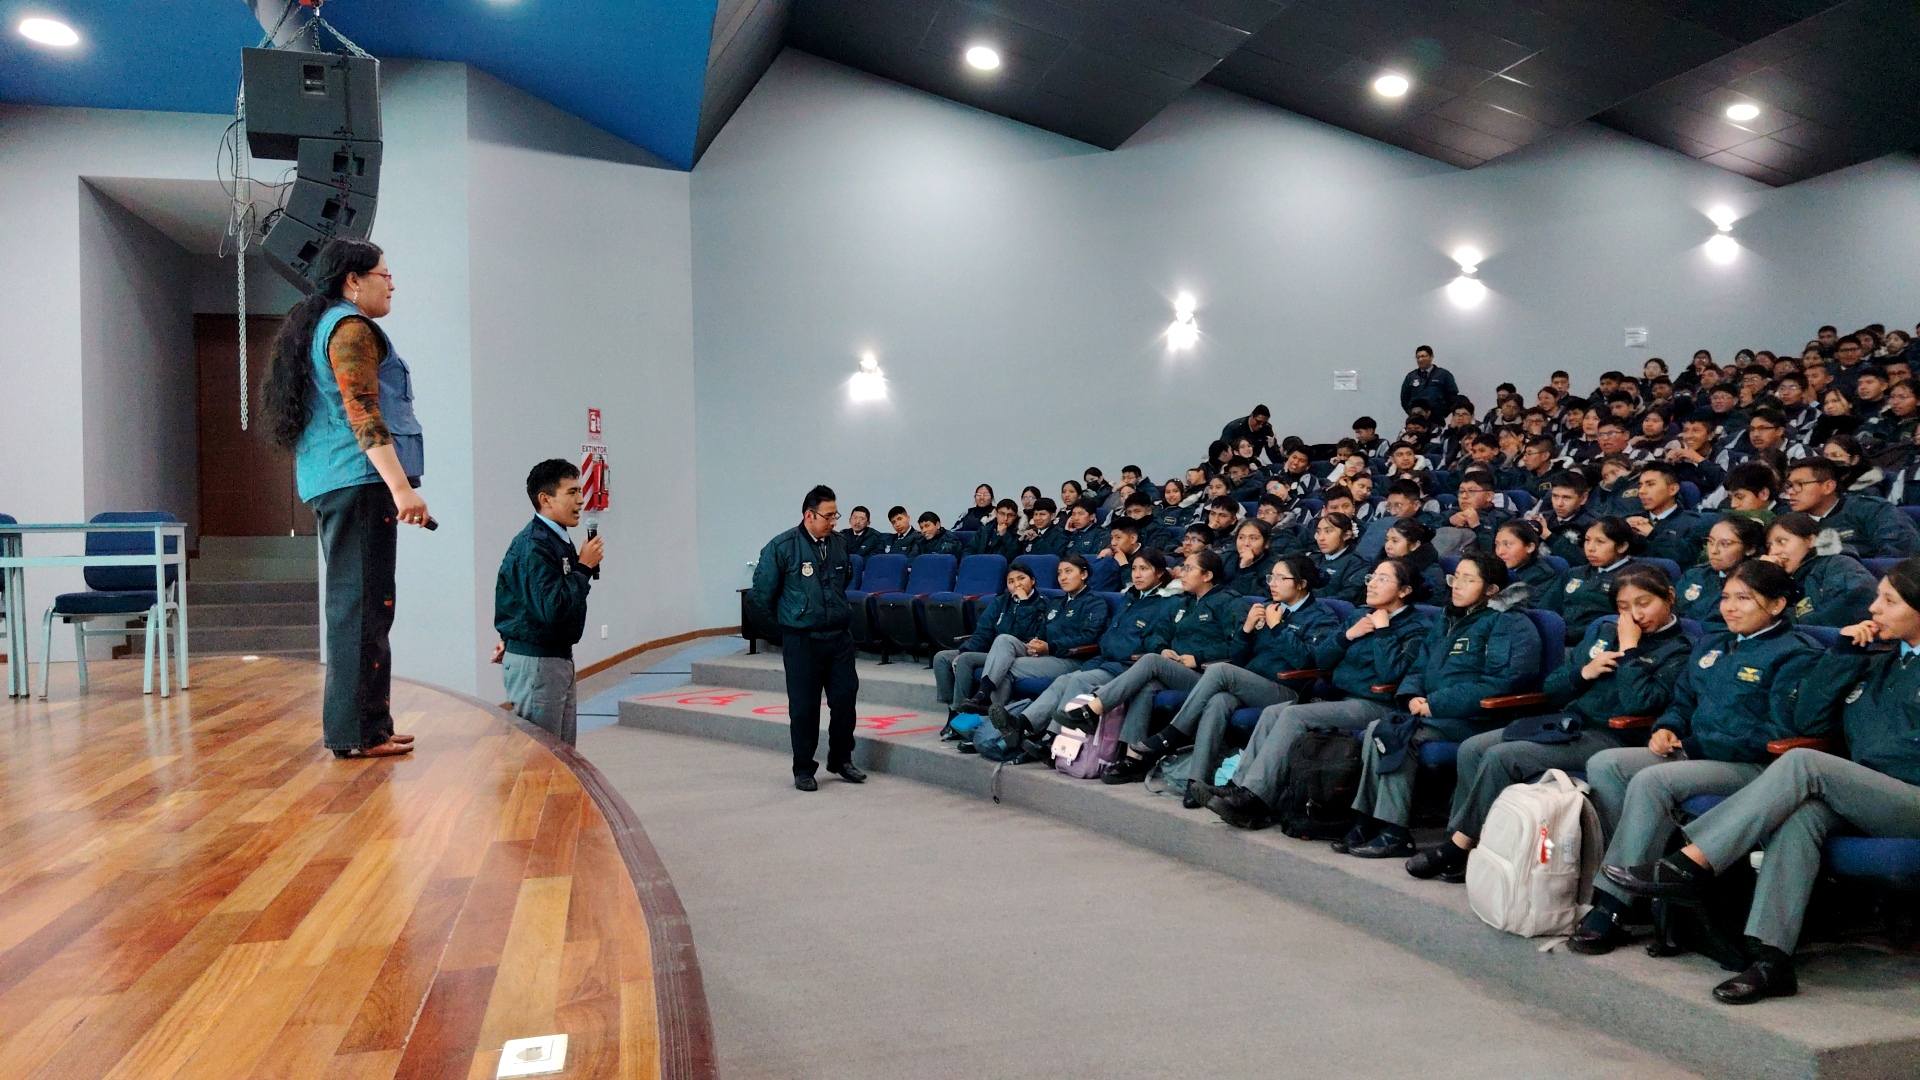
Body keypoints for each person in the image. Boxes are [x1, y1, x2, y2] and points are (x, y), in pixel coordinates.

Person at [1601, 565, 1920, 1004]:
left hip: (1910, 796)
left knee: (1804, 762)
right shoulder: (1878, 659)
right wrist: (1843, 653)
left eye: (1889, 600)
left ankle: (1692, 862)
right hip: (1864, 791)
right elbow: (1809, 719)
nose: (1873, 607)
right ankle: (1771, 960)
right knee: (1801, 818)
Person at [1569, 559, 1832, 954]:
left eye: (1744, 599)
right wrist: (1667, 727)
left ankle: (1614, 904)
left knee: (1653, 780)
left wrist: (1698, 744)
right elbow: (1683, 701)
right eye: (1726, 597)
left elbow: (1780, 732)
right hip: (1696, 753)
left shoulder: (1795, 653)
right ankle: (1640, 876)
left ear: (1777, 605)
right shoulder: (1713, 644)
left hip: (1756, 768)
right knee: (1606, 764)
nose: (1730, 607)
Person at [1406, 564, 1693, 883]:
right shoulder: (1603, 631)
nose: (1634, 616)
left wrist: (1629, 651)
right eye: (1623, 607)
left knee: (1503, 756)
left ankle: (1457, 847)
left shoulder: (1680, 650)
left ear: (1669, 597)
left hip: (1615, 736)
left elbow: (1641, 704)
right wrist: (1584, 673)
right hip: (1568, 723)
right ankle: (1469, 841)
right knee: (1474, 748)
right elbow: (1553, 688)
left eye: (1643, 603)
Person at [263, 237, 423, 760]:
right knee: (361, 607)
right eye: (384, 274)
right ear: (353, 281)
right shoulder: (349, 329)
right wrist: (401, 488)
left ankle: (370, 726)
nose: (392, 284)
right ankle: (356, 733)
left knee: (365, 605)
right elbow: (363, 412)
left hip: (341, 483)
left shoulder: (324, 326)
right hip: (358, 484)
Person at [1340, 552, 1542, 858]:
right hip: (1433, 713)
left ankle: (1394, 831)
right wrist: (1411, 694)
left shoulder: (1509, 623)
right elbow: (1419, 666)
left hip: (1477, 718)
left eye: (1468, 579)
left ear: (1491, 589)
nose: (1456, 585)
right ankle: (1366, 820)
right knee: (1376, 729)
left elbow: (1502, 683)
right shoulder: (1449, 618)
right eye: (1455, 577)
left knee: (1398, 736)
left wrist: (1435, 703)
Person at [1207, 559, 1435, 829]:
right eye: (1372, 577)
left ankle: (1255, 799)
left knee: (1294, 715)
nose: (1372, 584)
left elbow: (1392, 676)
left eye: (1382, 579)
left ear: (1404, 590)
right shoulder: (1358, 616)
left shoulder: (1416, 627)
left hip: (1377, 704)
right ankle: (1239, 786)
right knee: (1273, 712)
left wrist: (1384, 631)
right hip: (1341, 699)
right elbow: (1321, 659)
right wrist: (1348, 635)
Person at [1151, 554, 1348, 807]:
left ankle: (1174, 732)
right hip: (1251, 684)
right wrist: (1246, 630)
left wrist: (1278, 628)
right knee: (1219, 701)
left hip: (1287, 690)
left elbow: (1307, 662)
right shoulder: (1267, 608)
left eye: (1281, 578)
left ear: (1301, 584)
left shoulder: (1321, 616)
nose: (1272, 583)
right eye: (1271, 577)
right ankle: (1196, 781)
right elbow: (1238, 657)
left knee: (1220, 671)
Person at [1059, 550, 1248, 784]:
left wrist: (1198, 658)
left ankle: (1093, 709)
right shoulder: (1183, 603)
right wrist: (1163, 649)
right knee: (1146, 685)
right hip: (1176, 670)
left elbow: (1238, 647)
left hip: (1207, 677)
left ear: (1207, 575)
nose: (1181, 573)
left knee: (1149, 661)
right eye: (1183, 568)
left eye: (1188, 568)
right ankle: (1134, 758)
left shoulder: (1230, 602)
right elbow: (1155, 634)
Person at [987, 550, 1180, 745]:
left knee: (1078, 680)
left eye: (1144, 569)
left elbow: (1155, 638)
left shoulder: (1165, 603)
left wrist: (1054, 647)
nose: (1136, 574)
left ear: (1159, 573)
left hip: (1125, 664)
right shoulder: (1130, 598)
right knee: (1062, 681)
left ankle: (1052, 740)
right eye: (1134, 569)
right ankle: (1022, 724)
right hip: (1104, 660)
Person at [748, 485, 864, 791]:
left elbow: (843, 580)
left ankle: (841, 759)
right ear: (809, 515)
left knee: (845, 700)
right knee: (804, 708)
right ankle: (803, 768)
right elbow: (760, 598)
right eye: (828, 516)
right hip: (802, 641)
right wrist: (785, 631)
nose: (834, 521)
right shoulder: (782, 547)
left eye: (836, 515)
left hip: (838, 637)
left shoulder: (839, 543)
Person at [490, 459, 605, 746]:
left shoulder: (557, 539)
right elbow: (553, 608)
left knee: (561, 754)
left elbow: (525, 600)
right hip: (538, 663)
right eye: (572, 492)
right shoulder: (534, 545)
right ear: (545, 499)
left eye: (580, 491)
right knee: (539, 755)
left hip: (555, 659)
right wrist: (583, 568)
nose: (580, 501)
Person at [958, 555, 1108, 712]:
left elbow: (1089, 637)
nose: (1062, 577)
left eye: (1068, 571)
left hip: (1070, 658)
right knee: (1004, 640)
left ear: (1083, 574)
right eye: (1059, 573)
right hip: (1046, 653)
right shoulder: (1057, 602)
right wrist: (1035, 642)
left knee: (1006, 665)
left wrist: (1050, 647)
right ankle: (988, 701)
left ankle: (991, 705)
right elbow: (1042, 629)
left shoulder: (1095, 603)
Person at [932, 562, 1045, 717]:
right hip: (992, 651)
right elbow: (983, 632)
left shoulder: (1042, 604)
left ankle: (960, 712)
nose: (1017, 584)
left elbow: (1030, 634)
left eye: (1021, 578)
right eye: (1011, 581)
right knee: (942, 658)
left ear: (1032, 580)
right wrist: (963, 650)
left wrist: (1024, 603)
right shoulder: (1001, 602)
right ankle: (952, 709)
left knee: (966, 659)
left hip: (1020, 654)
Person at [1784, 458, 1920, 557]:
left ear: (1828, 487)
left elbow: (1901, 553)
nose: (1790, 492)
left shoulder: (1872, 509)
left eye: (1799, 484)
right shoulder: (1788, 523)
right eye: (1789, 485)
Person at [1764, 513, 1877, 628]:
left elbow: (1851, 606)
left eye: (1782, 542)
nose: (1773, 552)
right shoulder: (1783, 579)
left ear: (1811, 540)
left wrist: (1794, 623)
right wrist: (1766, 577)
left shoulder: (1837, 564)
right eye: (1769, 546)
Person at [1545, 517, 1644, 645]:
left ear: (1622, 546)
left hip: (1600, 643)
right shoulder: (1574, 573)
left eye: (1600, 542)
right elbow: (1547, 608)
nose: (1590, 548)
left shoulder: (1634, 578)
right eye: (1587, 540)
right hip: (1558, 640)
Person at [1674, 515, 1765, 627]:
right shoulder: (1694, 575)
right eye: (1710, 542)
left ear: (1750, 549)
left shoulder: (1755, 584)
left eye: (1725, 544)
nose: (1714, 550)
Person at [1625, 461, 1710, 568]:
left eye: (1650, 484)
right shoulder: (1632, 520)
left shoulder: (1693, 523)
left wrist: (1653, 534)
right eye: (1640, 485)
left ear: (1672, 489)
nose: (1641, 491)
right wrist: (1622, 528)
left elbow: (1686, 560)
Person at [1491, 519, 1564, 604]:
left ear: (1530, 547)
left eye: (1508, 544)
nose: (1500, 552)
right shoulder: (1498, 570)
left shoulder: (1541, 578)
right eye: (1497, 545)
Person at [1313, 512, 1370, 603]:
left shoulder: (1357, 565)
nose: (1320, 538)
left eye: (1328, 531)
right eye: (1318, 532)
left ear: (1346, 535)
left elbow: (1348, 596)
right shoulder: (1312, 559)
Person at [1400, 344, 1458, 419]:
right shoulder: (1411, 377)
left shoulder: (1444, 375)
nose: (1420, 359)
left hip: (1437, 419)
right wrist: (1411, 413)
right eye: (1418, 357)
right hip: (1416, 419)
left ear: (1431, 357)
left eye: (1423, 356)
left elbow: (1453, 396)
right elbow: (1404, 398)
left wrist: (1443, 413)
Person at [1223, 519, 1278, 596]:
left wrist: (1246, 568)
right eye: (1241, 537)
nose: (1246, 543)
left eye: (1253, 538)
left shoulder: (1275, 567)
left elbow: (1262, 597)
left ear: (1266, 543)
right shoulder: (1227, 557)